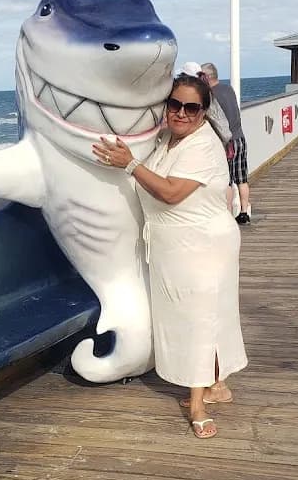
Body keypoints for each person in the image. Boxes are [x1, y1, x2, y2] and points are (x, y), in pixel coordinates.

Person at [91, 74, 247, 440]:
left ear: (204, 111)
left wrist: (129, 164)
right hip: (178, 246)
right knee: (208, 316)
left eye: (191, 107)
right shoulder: (167, 139)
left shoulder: (203, 145)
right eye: (174, 104)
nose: (181, 113)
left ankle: (197, 407)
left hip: (202, 245)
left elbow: (172, 192)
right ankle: (216, 384)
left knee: (199, 319)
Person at [200, 62, 251, 225]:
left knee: (226, 181)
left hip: (226, 143)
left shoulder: (211, 95)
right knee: (242, 179)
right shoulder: (228, 89)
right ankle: (244, 212)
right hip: (240, 138)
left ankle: (228, 214)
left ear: (206, 77)